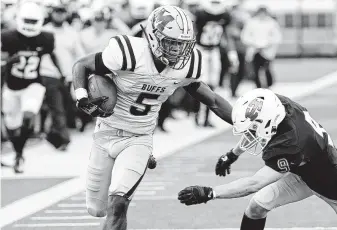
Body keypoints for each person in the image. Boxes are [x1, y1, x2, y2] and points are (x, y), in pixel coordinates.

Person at [72, 6, 233, 230]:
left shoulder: (188, 65)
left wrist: (244, 123)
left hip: (139, 137)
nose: (177, 50)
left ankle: (140, 157)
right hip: (106, 133)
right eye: (171, 42)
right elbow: (82, 65)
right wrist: (81, 96)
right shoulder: (128, 51)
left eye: (181, 44)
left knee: (118, 203)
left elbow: (213, 100)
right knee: (96, 209)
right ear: (154, 38)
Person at [178, 88, 337, 229]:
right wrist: (233, 154)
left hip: (329, 183)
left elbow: (254, 183)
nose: (251, 133)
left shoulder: (292, 142)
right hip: (304, 168)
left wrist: (210, 193)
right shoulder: (277, 105)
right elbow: (256, 130)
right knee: (257, 206)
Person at [1, 1, 63, 173]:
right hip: (11, 86)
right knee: (11, 125)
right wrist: (7, 61)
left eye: (32, 21)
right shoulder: (7, 37)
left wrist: (62, 73)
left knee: (29, 113)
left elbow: (52, 55)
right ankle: (18, 152)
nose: (29, 25)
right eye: (26, 20)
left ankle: (19, 153)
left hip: (33, 84)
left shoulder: (46, 38)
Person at [194, 0, 238, 127]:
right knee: (199, 83)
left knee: (212, 85)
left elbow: (227, 34)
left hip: (214, 50)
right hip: (200, 49)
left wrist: (232, 53)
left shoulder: (225, 15)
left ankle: (206, 118)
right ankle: (197, 116)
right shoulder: (201, 13)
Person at [241, 7, 282, 89]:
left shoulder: (271, 23)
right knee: (256, 70)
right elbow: (245, 36)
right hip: (255, 50)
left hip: (267, 51)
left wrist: (268, 44)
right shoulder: (251, 22)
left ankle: (269, 84)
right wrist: (254, 44)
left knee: (266, 69)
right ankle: (258, 86)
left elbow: (277, 37)